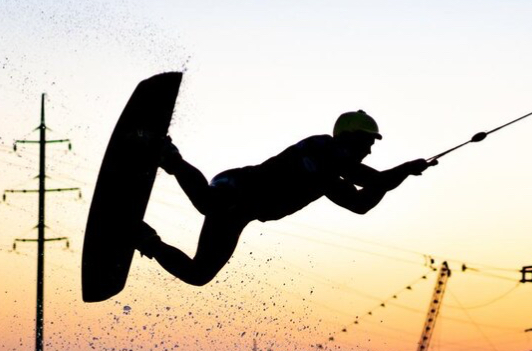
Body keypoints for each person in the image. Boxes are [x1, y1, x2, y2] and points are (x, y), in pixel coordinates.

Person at [135, 110, 432, 286]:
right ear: (349, 136)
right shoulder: (322, 147)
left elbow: (361, 203)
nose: (369, 150)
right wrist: (405, 169)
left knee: (199, 274)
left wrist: (401, 174)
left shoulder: (327, 180)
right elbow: (371, 180)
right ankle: (168, 156)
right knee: (208, 202)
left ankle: (145, 240)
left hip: (240, 213)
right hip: (236, 185)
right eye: (366, 142)